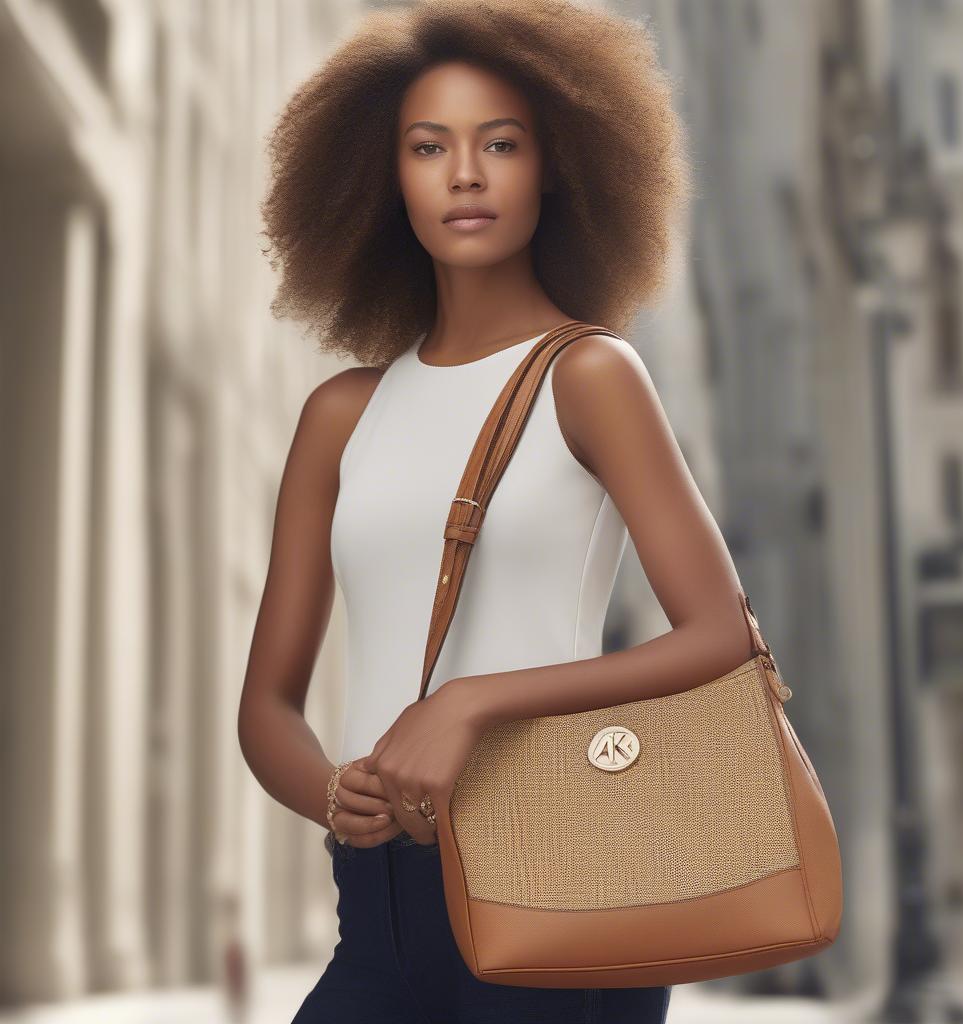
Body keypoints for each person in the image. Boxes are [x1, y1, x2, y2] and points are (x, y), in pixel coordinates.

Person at [239, 1, 753, 1020]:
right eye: (427, 147)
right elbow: (266, 706)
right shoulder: (342, 416)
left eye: (499, 144)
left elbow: (721, 634)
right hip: (379, 910)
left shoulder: (590, 376)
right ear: (385, 177)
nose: (463, 175)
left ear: (554, 166)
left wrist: (472, 700)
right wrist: (331, 792)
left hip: (558, 892)